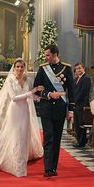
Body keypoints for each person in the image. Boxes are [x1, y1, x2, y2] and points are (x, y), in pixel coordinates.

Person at [34, 44, 74, 177]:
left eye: (47, 55)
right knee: (48, 137)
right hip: (46, 108)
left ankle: (53, 167)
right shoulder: (43, 69)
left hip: (60, 109)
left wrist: (71, 110)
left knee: (57, 139)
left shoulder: (66, 69)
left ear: (55, 54)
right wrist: (49, 94)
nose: (45, 57)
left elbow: (71, 91)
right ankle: (48, 168)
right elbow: (36, 89)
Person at [73, 62, 91, 148]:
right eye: (77, 69)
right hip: (76, 104)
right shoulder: (76, 79)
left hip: (82, 104)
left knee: (81, 123)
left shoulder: (86, 78)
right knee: (77, 123)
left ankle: (82, 142)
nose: (78, 70)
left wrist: (75, 100)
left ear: (84, 68)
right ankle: (78, 140)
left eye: (80, 68)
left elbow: (84, 92)